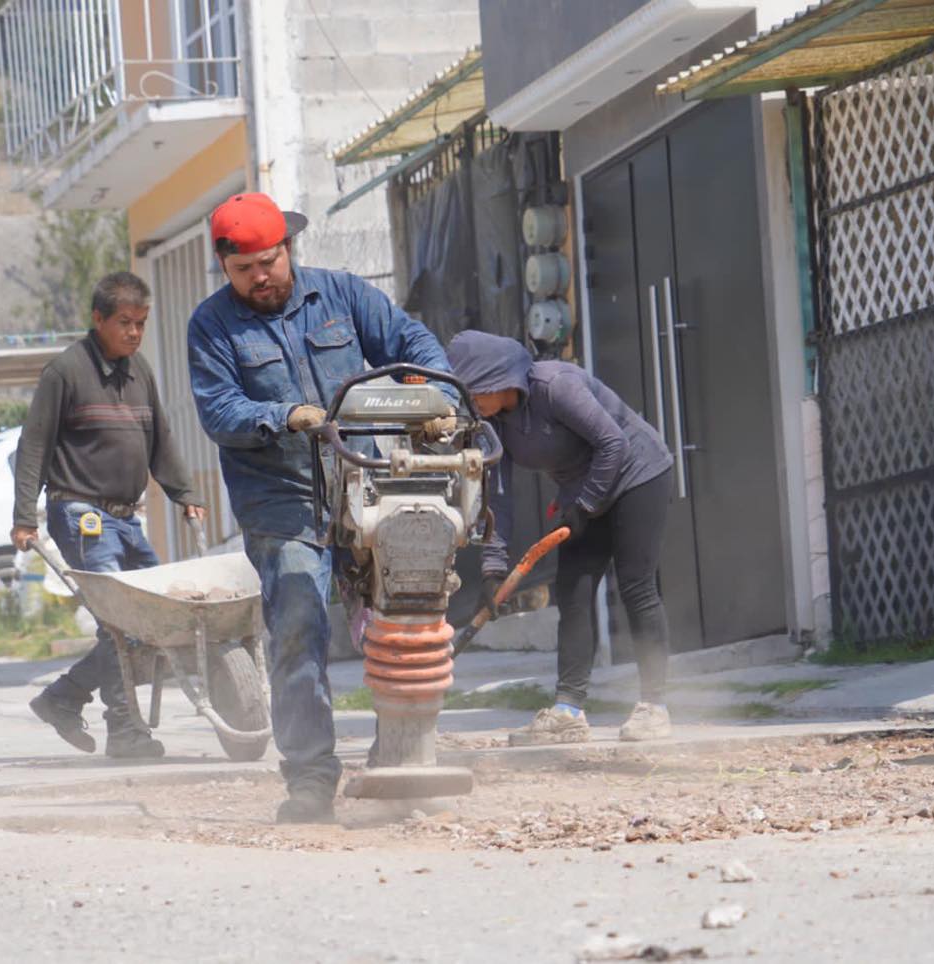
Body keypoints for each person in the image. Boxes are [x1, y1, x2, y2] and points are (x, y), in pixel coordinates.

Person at [188, 192, 458, 823]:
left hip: (364, 482)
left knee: (408, 613)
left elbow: (407, 339)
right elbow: (219, 410)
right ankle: (309, 780)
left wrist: (435, 392)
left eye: (269, 261)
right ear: (225, 269)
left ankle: (404, 762)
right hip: (281, 500)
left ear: (289, 248)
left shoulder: (342, 295)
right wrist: (283, 416)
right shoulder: (212, 326)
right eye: (244, 269)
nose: (260, 277)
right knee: (300, 625)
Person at [445, 330, 675, 745]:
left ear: (496, 381)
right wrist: (493, 570)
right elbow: (498, 495)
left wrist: (585, 505)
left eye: (472, 392)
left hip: (638, 475)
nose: (469, 404)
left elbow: (613, 443)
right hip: (584, 495)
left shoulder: (555, 386)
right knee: (573, 594)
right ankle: (568, 709)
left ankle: (654, 706)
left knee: (637, 587)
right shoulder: (493, 424)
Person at [12, 271, 207, 759]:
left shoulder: (140, 371)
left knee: (155, 619)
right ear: (98, 319)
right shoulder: (66, 372)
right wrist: (24, 516)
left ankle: (63, 697)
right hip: (81, 515)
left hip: (126, 517)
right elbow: (33, 444)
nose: (135, 332)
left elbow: (159, 437)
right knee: (119, 624)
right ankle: (125, 730)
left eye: (141, 322)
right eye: (125, 322)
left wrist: (185, 492)